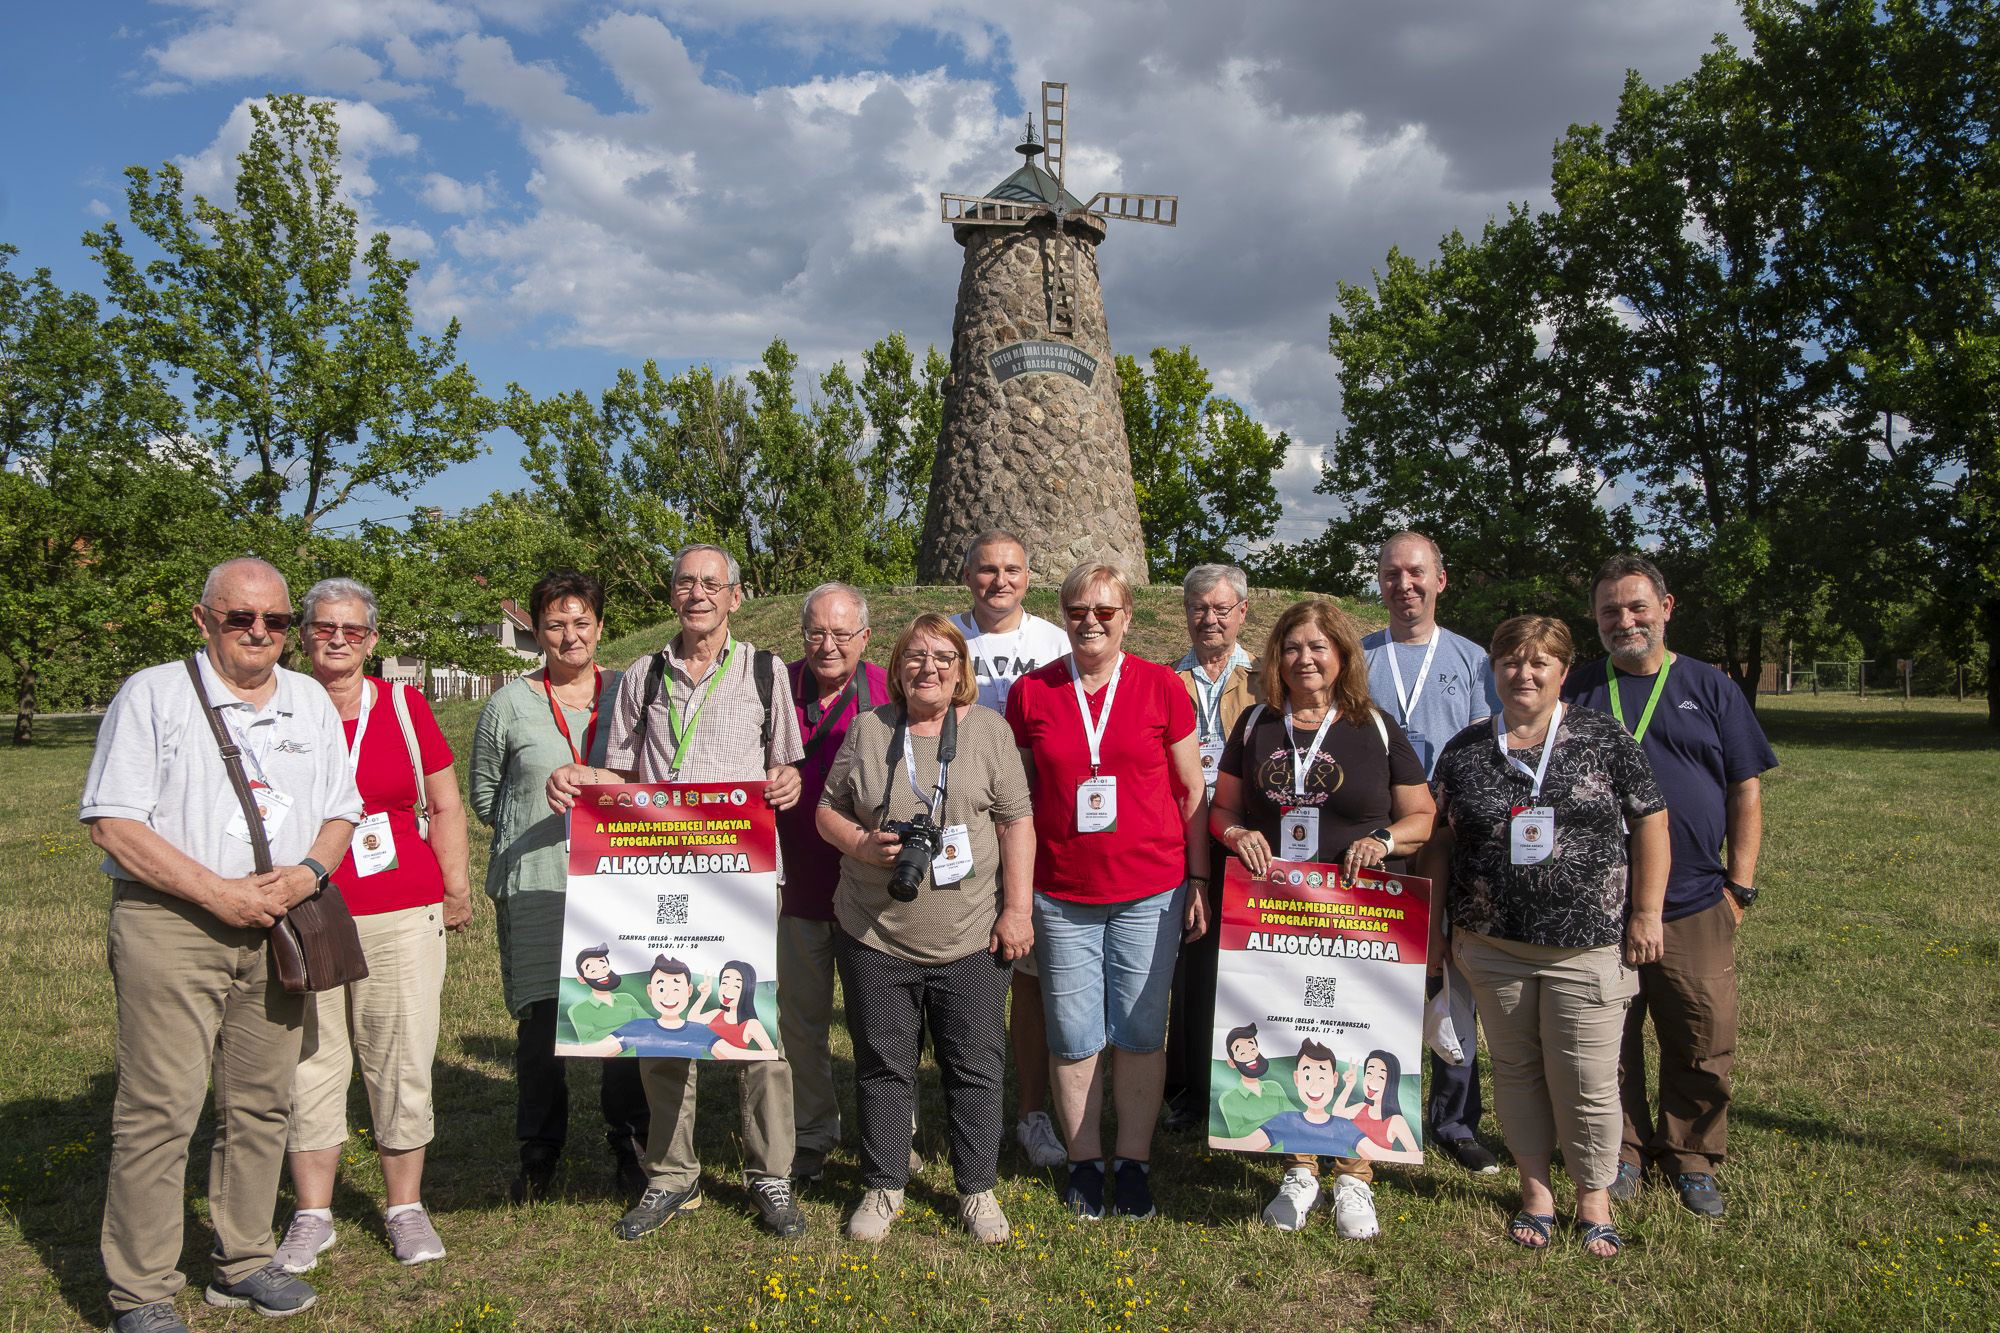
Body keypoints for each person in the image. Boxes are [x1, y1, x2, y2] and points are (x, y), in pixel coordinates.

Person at [81, 557, 362, 1330]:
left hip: (278, 922)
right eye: (241, 617)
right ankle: (141, 1289)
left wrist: (307, 873)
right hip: (173, 920)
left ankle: (243, 1259)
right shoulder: (155, 694)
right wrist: (218, 893)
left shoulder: (308, 700)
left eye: (275, 620)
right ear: (203, 619)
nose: (259, 632)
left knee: (262, 1101)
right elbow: (113, 822)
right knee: (160, 1107)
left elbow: (341, 810)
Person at [545, 544, 808, 1240]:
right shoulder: (642, 675)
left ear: (735, 597)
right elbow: (618, 775)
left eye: (711, 584)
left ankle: (770, 1173)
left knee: (756, 1026)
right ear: (672, 596)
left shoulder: (765, 670)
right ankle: (670, 1175)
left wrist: (788, 782)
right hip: (659, 871)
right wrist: (575, 780)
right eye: (686, 583)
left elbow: (785, 768)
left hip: (741, 872)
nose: (698, 594)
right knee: (663, 1023)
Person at [1422, 615, 1670, 1259]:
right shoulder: (1466, 748)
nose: (1523, 674)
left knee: (1587, 1078)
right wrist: (1434, 926)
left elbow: (1651, 822)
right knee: (1517, 1072)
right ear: (1493, 670)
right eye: (1510, 661)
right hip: (1491, 946)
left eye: (1539, 663)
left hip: (1587, 946)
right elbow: (1440, 839)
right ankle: (1536, 1193)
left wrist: (1646, 912)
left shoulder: (1603, 738)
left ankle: (1593, 1199)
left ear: (1563, 670)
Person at [1210, 597, 1435, 1239]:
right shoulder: (1256, 723)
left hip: (1358, 917)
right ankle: (1298, 1169)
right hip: (1275, 914)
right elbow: (1222, 811)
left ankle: (1355, 1177)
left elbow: (1422, 817)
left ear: (1341, 656)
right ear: (1275, 657)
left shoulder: (1375, 727)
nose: (1304, 659)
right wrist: (1237, 835)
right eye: (1291, 647)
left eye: (1317, 647)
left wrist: (1384, 841)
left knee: (1358, 1034)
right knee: (1288, 1035)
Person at [1563, 555, 1777, 1219]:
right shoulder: (1578, 688)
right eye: (1609, 610)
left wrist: (1739, 887)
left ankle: (1691, 1154)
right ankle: (1623, 1150)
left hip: (1694, 899)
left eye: (1636, 607)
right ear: (1595, 618)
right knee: (1606, 1039)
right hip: (1598, 902)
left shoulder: (1710, 686)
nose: (1624, 620)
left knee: (1702, 1035)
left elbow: (1745, 789)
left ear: (1666, 607)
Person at [271, 578, 472, 1276]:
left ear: (372, 640)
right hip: (308, 910)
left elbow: (444, 804)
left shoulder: (405, 707)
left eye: (352, 630)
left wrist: (455, 887)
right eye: (324, 627)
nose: (338, 639)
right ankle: (312, 1214)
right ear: (303, 635)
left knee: (402, 1057)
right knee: (311, 1061)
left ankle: (404, 1207)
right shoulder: (278, 708)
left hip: (401, 910)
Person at [816, 613, 1035, 1244]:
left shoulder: (988, 731)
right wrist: (862, 844)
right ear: (896, 667)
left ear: (961, 669)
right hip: (875, 932)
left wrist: (1017, 910)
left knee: (975, 1067)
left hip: (970, 934)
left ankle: (977, 1189)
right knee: (883, 1064)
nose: (928, 668)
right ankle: (884, 1185)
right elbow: (827, 808)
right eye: (915, 656)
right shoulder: (869, 729)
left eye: (943, 657)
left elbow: (1016, 821)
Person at [1007, 562, 1209, 1221]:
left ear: (1127, 617)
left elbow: (1192, 790)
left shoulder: (1161, 686)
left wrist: (1198, 878)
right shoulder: (1031, 693)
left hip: (1151, 889)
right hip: (1061, 891)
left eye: (1105, 611)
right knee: (1073, 1033)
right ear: (1062, 616)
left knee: (1141, 1031)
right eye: (1077, 610)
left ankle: (1135, 1161)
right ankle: (1086, 1161)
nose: (1090, 621)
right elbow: (1020, 802)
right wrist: (1017, 894)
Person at [469, 570, 650, 1204]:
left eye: (581, 622)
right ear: (537, 631)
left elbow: (657, 776)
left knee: (623, 1011)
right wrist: (536, 814)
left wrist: (602, 787)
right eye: (555, 624)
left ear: (600, 626)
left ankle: (629, 1142)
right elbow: (484, 797)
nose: (570, 635)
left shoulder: (630, 693)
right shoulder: (509, 705)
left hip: (617, 881)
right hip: (539, 882)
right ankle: (540, 1149)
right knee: (544, 1019)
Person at [1360, 532, 1504, 1175]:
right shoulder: (1358, 657)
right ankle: (1372, 1108)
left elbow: (1489, 745)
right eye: (1392, 574)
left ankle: (1455, 1120)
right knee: (1375, 974)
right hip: (1376, 845)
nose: (1405, 585)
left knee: (1455, 979)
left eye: (1416, 572)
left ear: (1440, 581)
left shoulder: (1473, 661)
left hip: (1450, 839)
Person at [951, 529, 1073, 1169]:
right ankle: (943, 1108)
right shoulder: (944, 637)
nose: (999, 581)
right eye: (987, 569)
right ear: (967, 574)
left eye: (1012, 570)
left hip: (1035, 827)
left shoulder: (1055, 643)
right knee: (946, 976)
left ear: (1029, 576)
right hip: (958, 830)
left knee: (1030, 980)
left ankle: (1031, 1112)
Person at [775, 583, 889, 1182]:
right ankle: (812, 1131)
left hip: (871, 893)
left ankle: (891, 1135)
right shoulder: (773, 688)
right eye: (816, 632)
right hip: (794, 886)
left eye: (842, 634)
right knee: (800, 1022)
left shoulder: (890, 692)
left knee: (884, 1028)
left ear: (864, 637)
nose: (828, 645)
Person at [1163, 564, 1261, 1131]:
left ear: (1242, 612)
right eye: (1199, 608)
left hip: (1245, 839)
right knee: (1190, 967)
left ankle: (1247, 1079)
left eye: (1222, 609)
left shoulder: (1267, 681)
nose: (1210, 619)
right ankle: (1186, 1088)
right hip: (1182, 837)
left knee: (1243, 966)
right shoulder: (1162, 681)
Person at [1212, 1042, 1392, 1160]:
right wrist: (1210, 1140)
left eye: (1322, 1077)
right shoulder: (1286, 1120)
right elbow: (1249, 1143)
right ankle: (1300, 1173)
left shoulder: (1343, 1125)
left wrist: (1349, 1086)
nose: (1314, 1085)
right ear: (1297, 1078)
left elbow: (1375, 1152)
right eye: (1307, 1077)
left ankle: (1348, 1181)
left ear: (1334, 1079)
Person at [1331, 1051, 1420, 1155]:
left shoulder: (1395, 1120)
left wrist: (1376, 1151)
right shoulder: (1362, 1107)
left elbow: (1415, 1155)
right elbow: (1336, 1115)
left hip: (1368, 1164)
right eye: (1369, 1073)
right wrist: (1349, 1086)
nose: (1372, 1080)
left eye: (1381, 1077)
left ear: (1391, 1082)